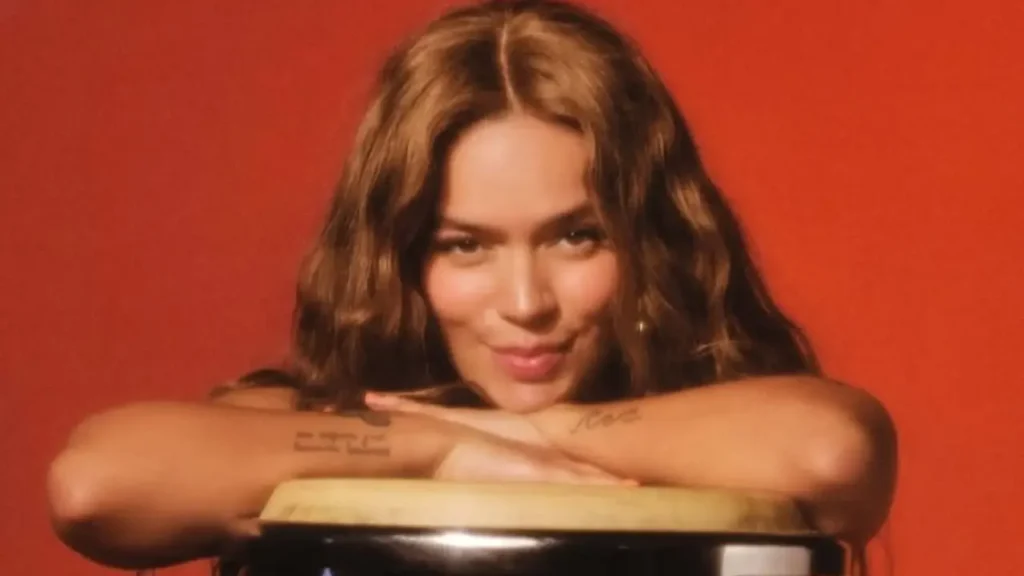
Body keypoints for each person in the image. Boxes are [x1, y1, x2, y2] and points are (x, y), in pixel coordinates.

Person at [46, 0, 897, 572]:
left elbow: (833, 450)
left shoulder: (728, 415)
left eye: (577, 236)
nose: (526, 303)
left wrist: (523, 434)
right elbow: (96, 484)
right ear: (402, 261)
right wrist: (433, 447)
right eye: (465, 247)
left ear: (649, 239)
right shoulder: (321, 417)